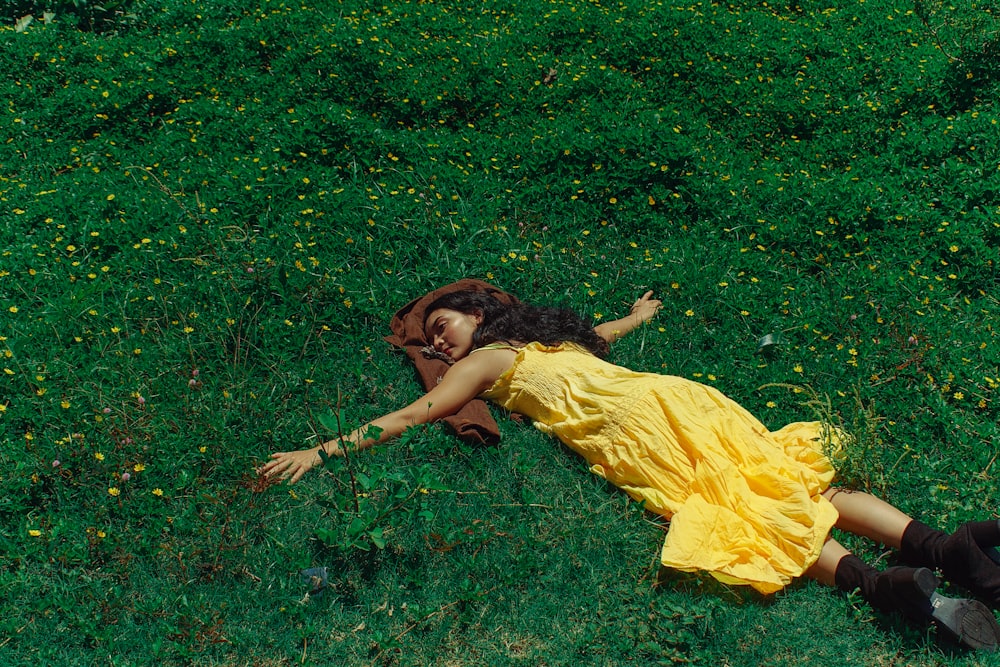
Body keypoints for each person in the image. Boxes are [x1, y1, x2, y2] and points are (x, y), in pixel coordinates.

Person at [261, 288, 1000, 650]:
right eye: (431, 341)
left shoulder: (494, 356)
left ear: (479, 313)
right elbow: (602, 333)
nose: (440, 346)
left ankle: (882, 586)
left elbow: (418, 414)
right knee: (795, 479)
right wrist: (638, 317)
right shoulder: (554, 345)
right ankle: (945, 547)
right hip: (681, 399)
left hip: (636, 431)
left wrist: (319, 450)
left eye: (442, 328)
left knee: (745, 507)